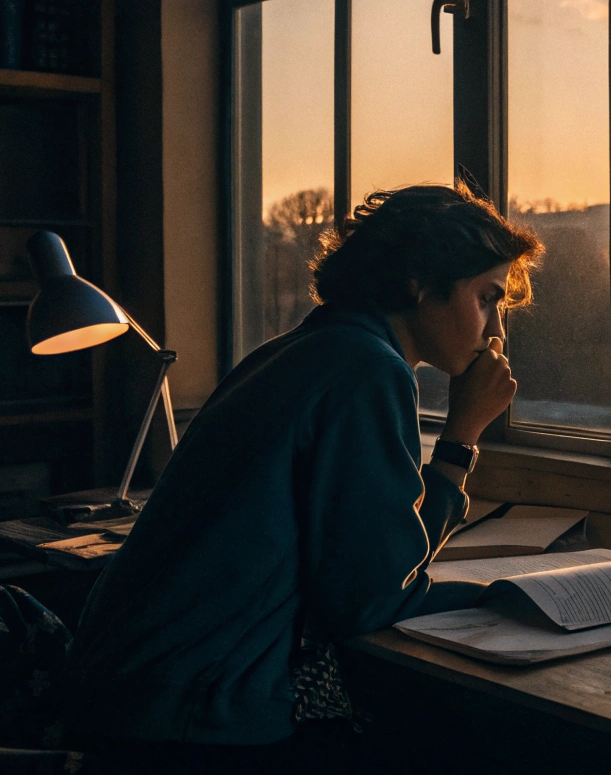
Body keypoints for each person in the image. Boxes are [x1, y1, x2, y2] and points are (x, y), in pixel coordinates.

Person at [63, 183, 543, 773]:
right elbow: (369, 602)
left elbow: (370, 568)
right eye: (487, 298)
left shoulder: (301, 349)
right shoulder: (367, 369)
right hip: (191, 715)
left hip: (128, 690)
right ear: (419, 280)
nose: (496, 331)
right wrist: (513, 593)